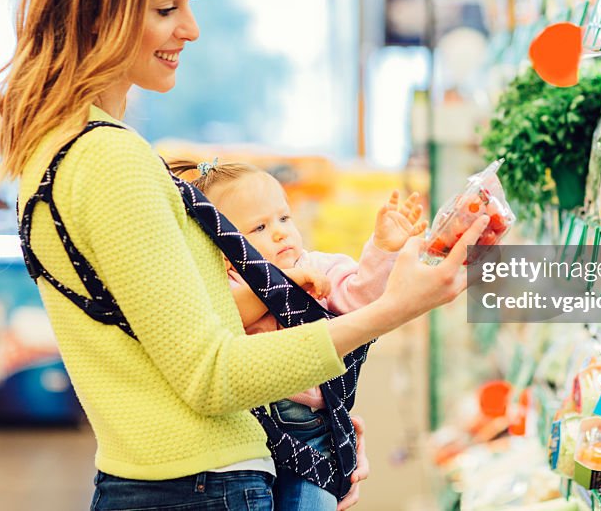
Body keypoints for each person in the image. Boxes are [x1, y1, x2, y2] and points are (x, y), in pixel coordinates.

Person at [0, 0, 488, 511]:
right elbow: (212, 376)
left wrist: (308, 430)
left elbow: (169, 359)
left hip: (159, 478)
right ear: (97, 13)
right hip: (201, 489)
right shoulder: (109, 158)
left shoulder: (54, 154)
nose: (189, 29)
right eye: (165, 9)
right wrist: (395, 309)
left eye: (186, 3)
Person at [171, 159, 424, 511]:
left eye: (284, 218)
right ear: (222, 247)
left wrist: (383, 249)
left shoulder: (317, 266)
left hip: (311, 434)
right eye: (259, 227)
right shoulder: (223, 284)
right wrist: (280, 283)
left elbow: (359, 297)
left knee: (312, 503)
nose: (280, 233)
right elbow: (226, 315)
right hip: (246, 433)